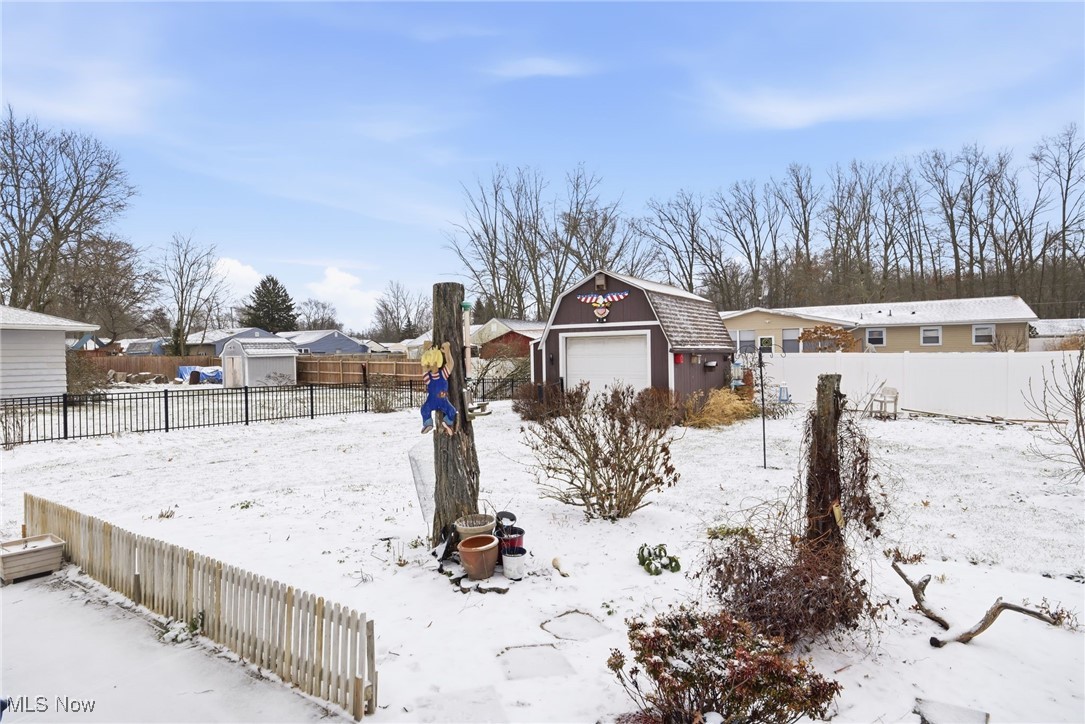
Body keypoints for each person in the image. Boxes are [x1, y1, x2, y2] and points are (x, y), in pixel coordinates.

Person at [420, 341, 457, 435]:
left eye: (431, 364)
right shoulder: (428, 377)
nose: (429, 366)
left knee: (452, 411)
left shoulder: (443, 374)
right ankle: (428, 424)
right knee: (424, 409)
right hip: (431, 401)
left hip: (443, 400)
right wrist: (425, 350)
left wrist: (447, 352)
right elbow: (423, 366)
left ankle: (447, 423)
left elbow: (450, 364)